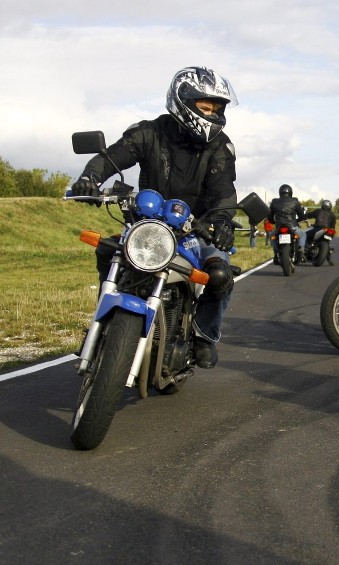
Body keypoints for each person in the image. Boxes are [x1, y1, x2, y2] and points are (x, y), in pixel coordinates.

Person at [70, 66, 238, 369]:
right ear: (182, 101)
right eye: (205, 107)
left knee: (221, 274)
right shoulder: (149, 132)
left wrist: (224, 221)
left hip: (195, 230)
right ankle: (103, 321)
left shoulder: (220, 146)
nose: (212, 113)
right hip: (147, 223)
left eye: (217, 108)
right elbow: (112, 157)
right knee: (108, 251)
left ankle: (203, 335)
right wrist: (90, 179)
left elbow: (224, 188)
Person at [267, 184, 307, 263]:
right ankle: (300, 250)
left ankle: (276, 252)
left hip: (279, 227)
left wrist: (273, 221)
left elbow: (270, 216)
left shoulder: (274, 202)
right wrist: (299, 219)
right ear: (291, 192)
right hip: (292, 226)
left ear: (280, 192)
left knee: (272, 236)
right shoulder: (295, 201)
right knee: (303, 235)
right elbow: (301, 215)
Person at [305, 199, 337, 265]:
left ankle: (305, 248)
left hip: (317, 229)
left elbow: (309, 215)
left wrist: (304, 215)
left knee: (305, 234)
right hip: (328, 231)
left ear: (322, 205)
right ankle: (329, 259)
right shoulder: (332, 215)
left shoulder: (318, 211)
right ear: (330, 207)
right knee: (328, 242)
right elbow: (333, 226)